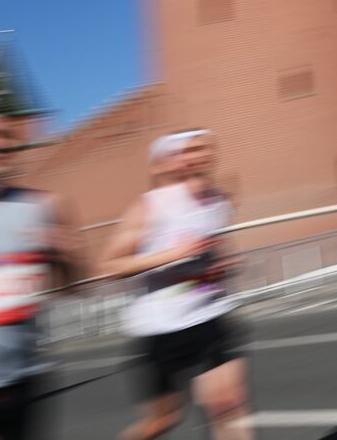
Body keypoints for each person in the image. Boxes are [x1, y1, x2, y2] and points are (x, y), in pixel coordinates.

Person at [102, 129, 254, 440]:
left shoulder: (218, 200)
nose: (199, 155)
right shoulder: (149, 207)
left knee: (229, 405)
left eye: (204, 147)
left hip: (209, 317)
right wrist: (172, 255)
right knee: (161, 421)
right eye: (188, 150)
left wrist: (222, 265)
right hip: (161, 330)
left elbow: (213, 250)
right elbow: (108, 266)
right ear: (169, 162)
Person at [0, 100, 81, 440]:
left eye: (0, 135)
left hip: (25, 378)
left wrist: (67, 258)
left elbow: (74, 288)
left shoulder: (42, 206)